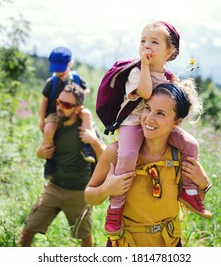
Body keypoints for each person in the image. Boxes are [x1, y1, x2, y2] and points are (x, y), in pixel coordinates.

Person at [102, 21, 211, 236]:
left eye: (154, 42)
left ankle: (188, 190)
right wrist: (143, 65)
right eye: (143, 41)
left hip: (157, 127)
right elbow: (144, 92)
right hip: (133, 124)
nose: (146, 46)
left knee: (190, 144)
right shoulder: (136, 71)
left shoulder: (168, 77)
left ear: (170, 52)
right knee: (129, 154)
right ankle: (116, 206)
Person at [85, 83, 212, 247]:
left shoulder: (180, 156)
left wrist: (204, 185)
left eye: (160, 113)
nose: (149, 118)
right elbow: (89, 196)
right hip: (125, 245)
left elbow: (191, 201)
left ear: (176, 122)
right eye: (147, 108)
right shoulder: (117, 152)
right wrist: (106, 189)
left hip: (169, 244)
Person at [20, 83, 106, 247]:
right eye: (59, 102)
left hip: (80, 192)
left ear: (77, 109)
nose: (60, 108)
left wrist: (93, 141)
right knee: (27, 231)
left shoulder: (87, 128)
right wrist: (41, 153)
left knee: (85, 237)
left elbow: (105, 157)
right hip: (54, 187)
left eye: (66, 105)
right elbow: (41, 151)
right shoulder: (53, 126)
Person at [39, 46, 96, 178]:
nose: (59, 72)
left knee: (87, 114)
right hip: (56, 111)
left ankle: (87, 147)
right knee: (49, 130)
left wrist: (78, 96)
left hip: (73, 108)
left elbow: (85, 90)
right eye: (56, 69)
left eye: (62, 68)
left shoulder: (75, 78)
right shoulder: (51, 82)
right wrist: (42, 119)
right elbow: (44, 101)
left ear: (69, 64)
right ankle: (50, 159)